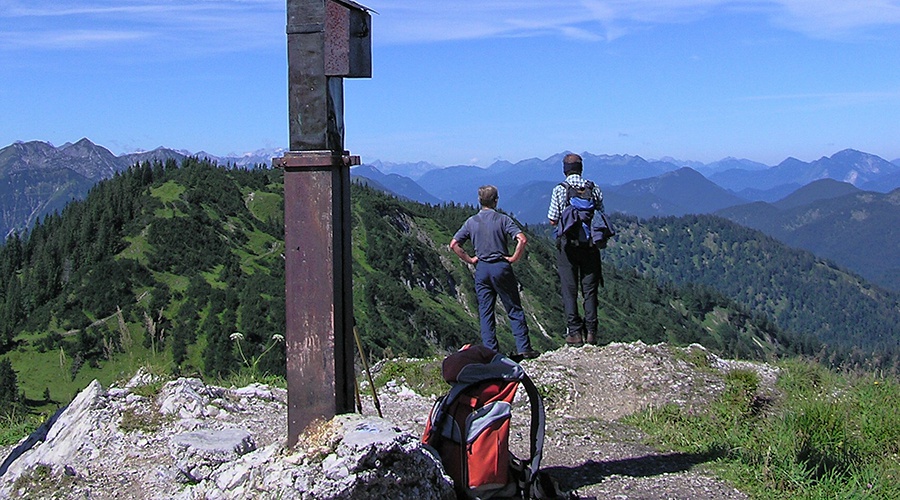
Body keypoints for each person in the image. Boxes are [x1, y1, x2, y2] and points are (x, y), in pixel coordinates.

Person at [449, 185, 538, 359]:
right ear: (496, 200)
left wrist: (470, 259)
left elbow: (454, 244)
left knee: (486, 311)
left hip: (482, 268)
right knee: (513, 308)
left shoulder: (471, 222)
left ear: (479, 201)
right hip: (501, 266)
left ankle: (491, 353)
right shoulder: (503, 220)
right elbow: (522, 239)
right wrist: (513, 258)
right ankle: (524, 348)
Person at [547, 153, 606, 347]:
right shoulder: (593, 188)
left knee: (569, 289)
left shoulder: (560, 190)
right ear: (581, 169)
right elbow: (601, 214)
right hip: (590, 247)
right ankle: (592, 332)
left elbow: (553, 219)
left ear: (565, 169)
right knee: (590, 290)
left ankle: (574, 333)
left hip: (568, 247)